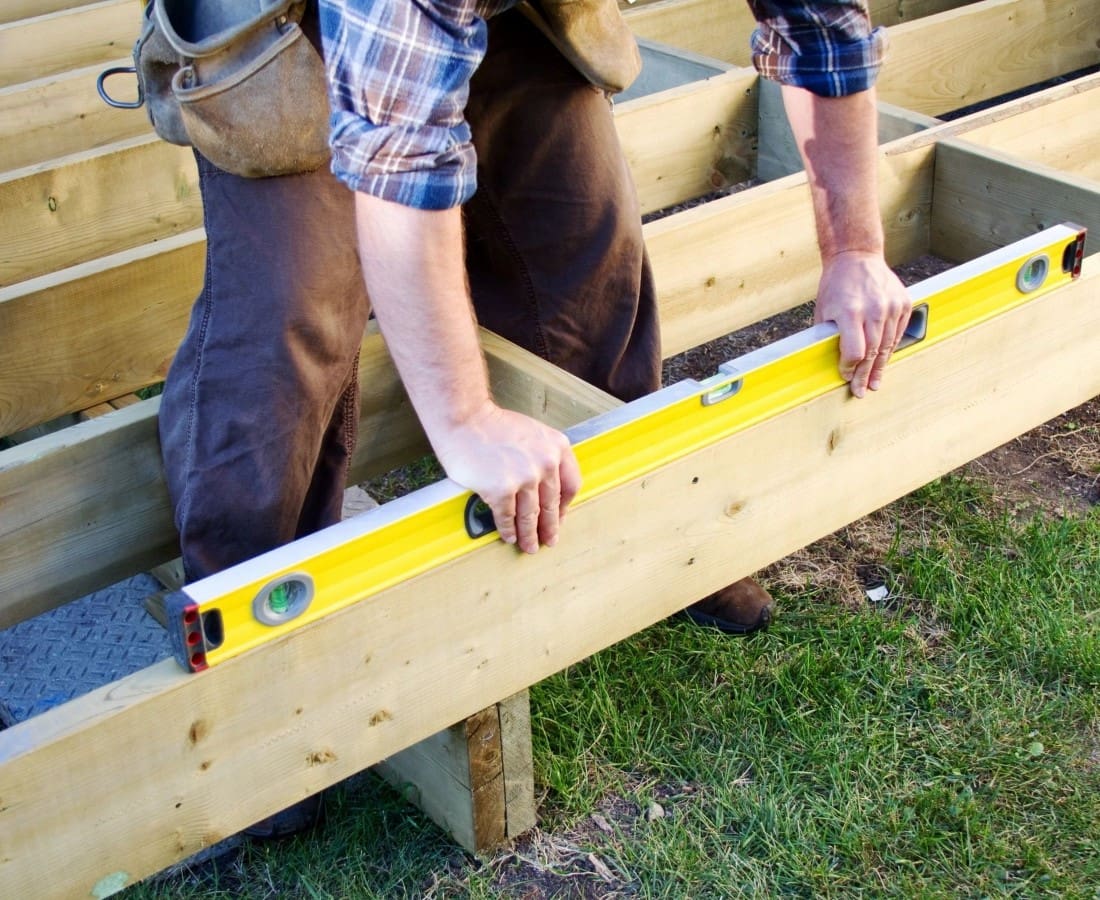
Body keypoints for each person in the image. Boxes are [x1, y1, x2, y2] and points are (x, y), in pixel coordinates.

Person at [157, 0, 910, 834]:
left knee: (579, 241)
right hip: (283, 23)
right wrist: (465, 418)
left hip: (485, 14)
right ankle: (257, 677)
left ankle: (639, 539)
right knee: (295, 316)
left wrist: (855, 250)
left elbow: (824, 30)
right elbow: (400, 149)